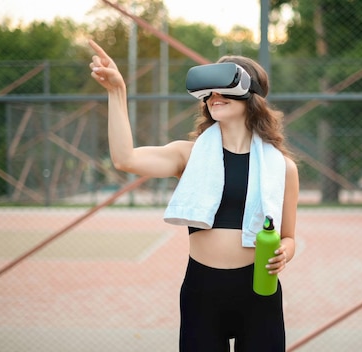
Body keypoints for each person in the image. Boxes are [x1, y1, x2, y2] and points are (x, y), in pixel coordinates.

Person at [89, 39, 299, 352]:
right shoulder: (189, 157)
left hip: (259, 290)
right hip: (202, 291)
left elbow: (289, 237)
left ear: (249, 95)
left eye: (223, 88)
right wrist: (116, 91)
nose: (214, 96)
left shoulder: (282, 167)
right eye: (209, 91)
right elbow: (125, 159)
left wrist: (285, 251)